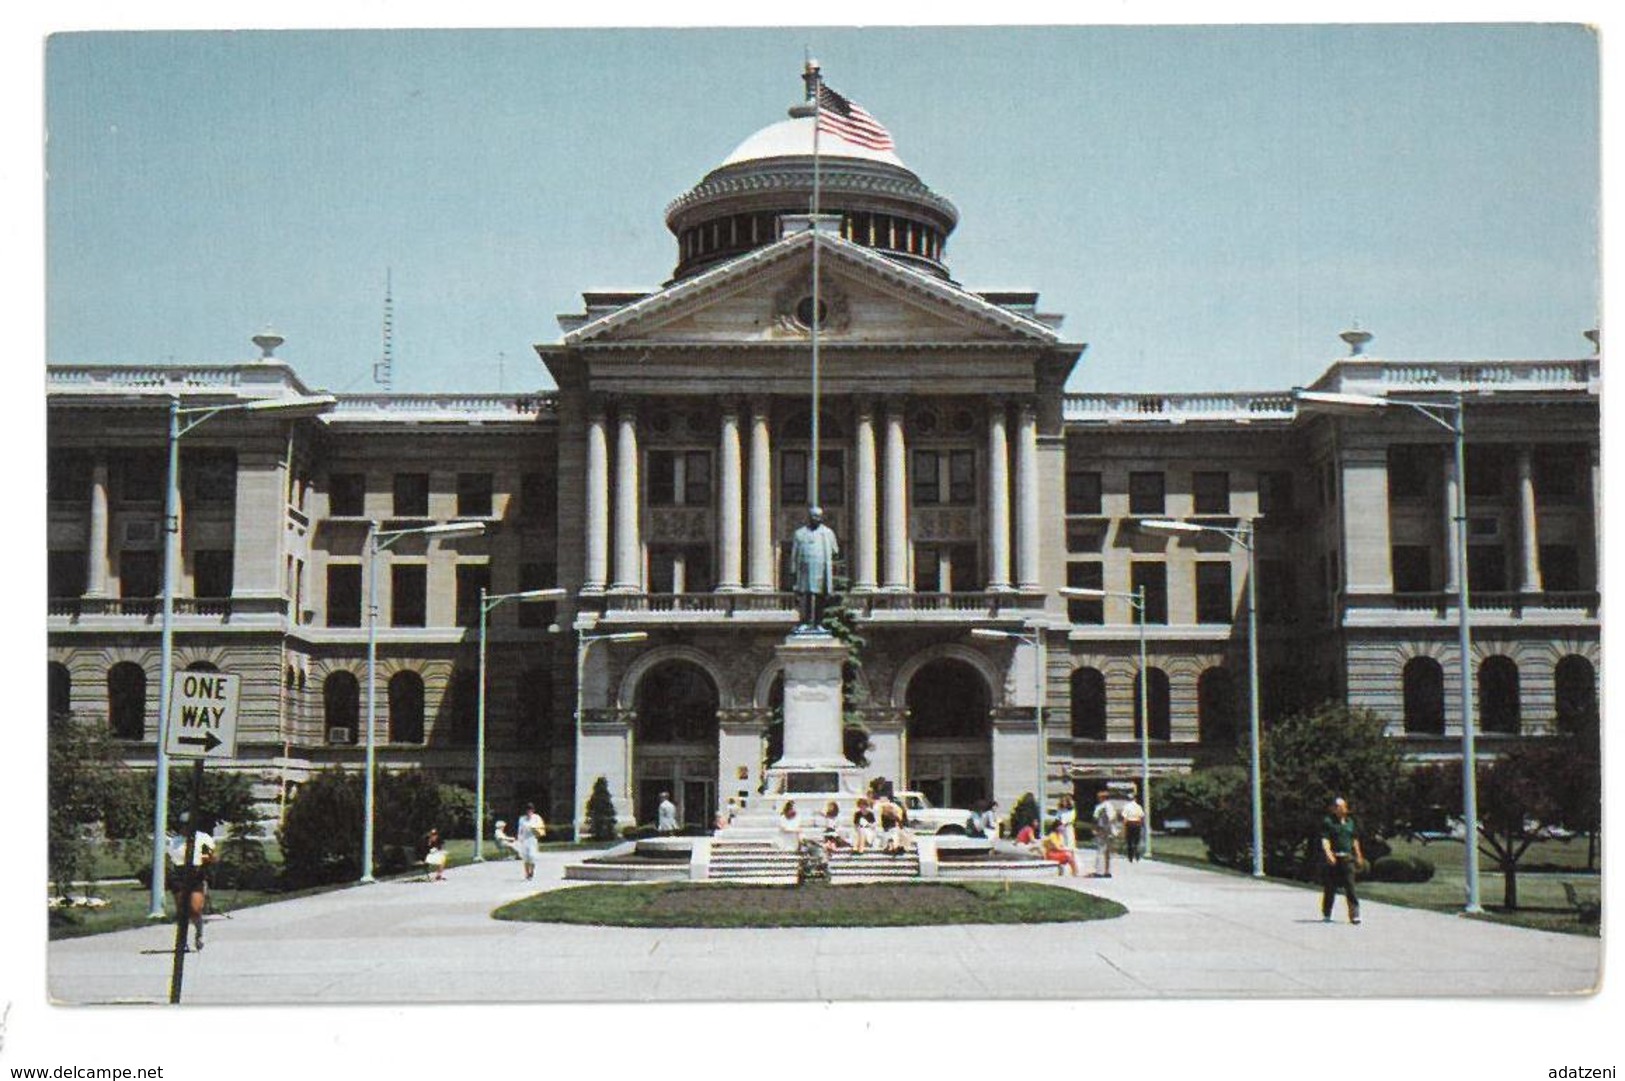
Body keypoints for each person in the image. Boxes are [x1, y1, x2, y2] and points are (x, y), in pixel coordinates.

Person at [167, 820, 216, 952]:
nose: (185, 828)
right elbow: (170, 859)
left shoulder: (203, 838)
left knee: (195, 909)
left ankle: (199, 933)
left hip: (196, 874)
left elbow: (211, 857)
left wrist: (207, 862)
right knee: (182, 911)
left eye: (188, 825)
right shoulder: (174, 841)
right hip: (179, 874)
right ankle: (182, 941)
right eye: (183, 825)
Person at [790, 506, 839, 629]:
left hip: (821, 571)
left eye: (818, 516)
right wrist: (793, 571)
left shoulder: (828, 533)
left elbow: (835, 551)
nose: (816, 518)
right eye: (814, 516)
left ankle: (818, 623)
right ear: (809, 517)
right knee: (805, 597)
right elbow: (794, 555)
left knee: (819, 598)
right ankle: (805, 622)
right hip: (804, 571)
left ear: (822, 518)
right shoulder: (799, 533)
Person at [1321, 797, 1365, 924]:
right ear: (1334, 809)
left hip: (1347, 858)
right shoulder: (1328, 822)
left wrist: (1358, 855)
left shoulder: (1350, 822)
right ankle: (1327, 912)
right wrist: (1328, 853)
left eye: (1343, 807)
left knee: (1350, 886)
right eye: (1339, 807)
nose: (1342, 809)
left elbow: (1354, 840)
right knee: (1330, 887)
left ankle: (1354, 914)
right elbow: (1325, 840)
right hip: (1334, 858)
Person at [516, 802, 546, 881]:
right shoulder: (522, 819)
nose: (529, 812)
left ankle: (531, 872)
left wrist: (534, 829)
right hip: (524, 840)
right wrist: (519, 839)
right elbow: (520, 830)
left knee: (532, 856)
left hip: (533, 839)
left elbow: (540, 828)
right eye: (527, 810)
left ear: (533, 810)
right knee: (525, 858)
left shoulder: (536, 818)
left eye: (530, 810)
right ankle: (527, 873)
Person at [1091, 790, 1116, 877]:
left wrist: (1100, 830)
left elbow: (1104, 819)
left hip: (1103, 830)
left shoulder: (1102, 807)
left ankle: (1100, 871)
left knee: (1101, 851)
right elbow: (1112, 819)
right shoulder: (1110, 806)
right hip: (1108, 830)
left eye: (1100, 797)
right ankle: (1107, 871)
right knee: (1107, 852)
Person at [1120, 789, 1146, 862]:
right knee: (1136, 840)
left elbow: (1125, 818)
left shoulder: (1126, 806)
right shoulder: (1138, 807)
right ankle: (1137, 855)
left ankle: (1130, 857)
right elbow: (1141, 817)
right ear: (1134, 799)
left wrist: (1124, 827)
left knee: (1129, 840)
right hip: (1137, 824)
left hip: (1129, 823)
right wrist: (1141, 825)